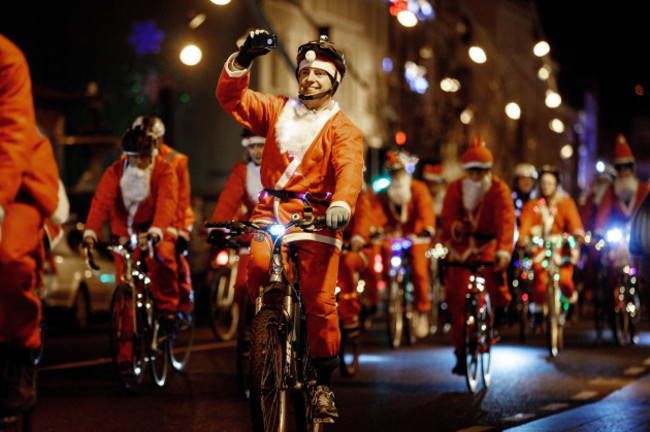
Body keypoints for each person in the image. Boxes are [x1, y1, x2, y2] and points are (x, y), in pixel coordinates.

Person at [216, 30, 364, 421]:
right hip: (271, 212)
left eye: (319, 73)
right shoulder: (278, 108)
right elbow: (232, 99)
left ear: (334, 81)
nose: (309, 78)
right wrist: (243, 59)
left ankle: (322, 385)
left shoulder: (343, 129)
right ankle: (267, 330)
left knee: (319, 301)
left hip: (318, 218)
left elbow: (350, 171)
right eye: (304, 72)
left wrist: (343, 205)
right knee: (259, 266)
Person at [0, 34, 65, 416]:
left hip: (19, 180)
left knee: (8, 258)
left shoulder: (7, 59)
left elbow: (11, 137)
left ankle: (18, 354)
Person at [82, 125, 179, 369]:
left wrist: (156, 232)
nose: (139, 165)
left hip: (155, 229)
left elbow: (167, 203)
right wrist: (91, 234)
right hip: (123, 236)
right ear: (126, 156)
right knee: (125, 295)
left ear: (153, 155)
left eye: (144, 159)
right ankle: (126, 354)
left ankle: (167, 309)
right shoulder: (114, 172)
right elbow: (100, 203)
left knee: (164, 259)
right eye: (134, 159)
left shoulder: (165, 170)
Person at [439, 135, 515, 375]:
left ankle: (494, 317)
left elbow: (506, 221)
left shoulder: (499, 190)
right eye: (471, 171)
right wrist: (454, 227)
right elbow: (447, 217)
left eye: (481, 172)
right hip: (461, 249)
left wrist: (503, 251)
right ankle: (461, 352)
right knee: (457, 301)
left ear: (488, 170)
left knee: (493, 281)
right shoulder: (454, 188)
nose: (475, 176)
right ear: (465, 170)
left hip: (488, 245)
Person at [132, 115, 194, 315]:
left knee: (166, 258)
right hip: (139, 222)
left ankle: (170, 309)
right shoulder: (129, 157)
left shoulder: (175, 160)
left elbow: (181, 200)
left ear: (160, 139)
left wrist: (182, 230)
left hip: (169, 221)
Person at [375, 150, 436, 338]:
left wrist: (425, 229)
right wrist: (374, 229)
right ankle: (388, 293)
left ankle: (421, 310)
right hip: (394, 237)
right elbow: (376, 214)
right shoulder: (384, 194)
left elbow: (425, 210)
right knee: (383, 256)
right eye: (392, 173)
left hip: (415, 237)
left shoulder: (418, 189)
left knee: (419, 270)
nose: (396, 176)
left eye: (399, 172)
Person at [517, 165, 585, 331]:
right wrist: (524, 238)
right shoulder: (532, 205)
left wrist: (577, 234)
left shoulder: (566, 203)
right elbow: (526, 224)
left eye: (550, 183)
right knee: (539, 282)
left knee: (565, 281)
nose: (546, 186)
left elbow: (574, 223)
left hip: (563, 248)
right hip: (541, 249)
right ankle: (539, 316)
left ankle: (569, 305)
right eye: (544, 183)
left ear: (556, 185)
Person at [594, 134, 649, 238]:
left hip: (640, 236)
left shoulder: (644, 190)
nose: (624, 173)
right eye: (620, 169)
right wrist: (599, 232)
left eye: (627, 168)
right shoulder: (611, 191)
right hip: (617, 238)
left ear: (633, 171)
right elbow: (603, 213)